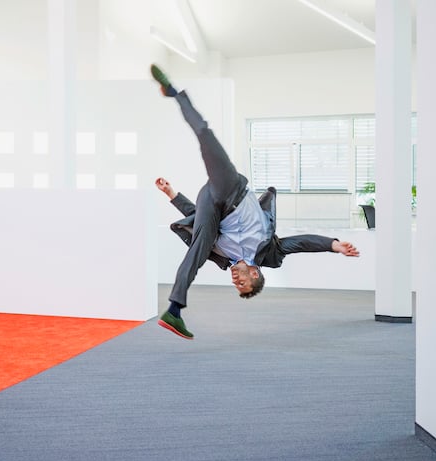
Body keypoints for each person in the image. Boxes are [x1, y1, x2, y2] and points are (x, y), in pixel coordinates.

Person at [150, 64, 360, 340]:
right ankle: (174, 93)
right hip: (231, 190)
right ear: (256, 275)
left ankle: (174, 310)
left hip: (211, 205)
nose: (236, 282)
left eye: (237, 287)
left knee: (199, 248)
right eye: (244, 284)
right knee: (205, 135)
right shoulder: (270, 253)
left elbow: (197, 216)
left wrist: (172, 195)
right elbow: (301, 243)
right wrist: (333, 245)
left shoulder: (222, 256)